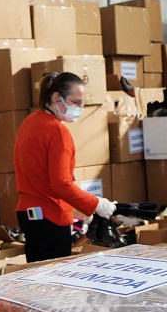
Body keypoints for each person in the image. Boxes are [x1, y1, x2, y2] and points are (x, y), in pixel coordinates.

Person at [14, 72, 115, 261]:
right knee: (54, 283)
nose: (80, 108)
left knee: (36, 278)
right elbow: (60, 183)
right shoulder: (58, 132)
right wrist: (96, 204)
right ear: (56, 98)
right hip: (50, 216)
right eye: (75, 102)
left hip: (28, 215)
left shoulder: (30, 122)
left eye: (82, 103)